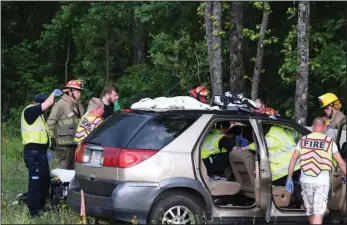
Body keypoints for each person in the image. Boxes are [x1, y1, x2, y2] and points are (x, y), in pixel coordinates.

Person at [285, 117, 347, 225]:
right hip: (321, 182)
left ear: (313, 127)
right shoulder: (329, 142)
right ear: (324, 128)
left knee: (310, 211)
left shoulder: (303, 140)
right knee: (318, 212)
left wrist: (289, 178)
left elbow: (293, 160)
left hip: (306, 181)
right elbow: (341, 162)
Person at [21, 89, 63, 217]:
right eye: (43, 105)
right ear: (39, 104)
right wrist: (52, 95)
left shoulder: (39, 115)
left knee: (44, 181)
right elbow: (48, 102)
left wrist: (47, 149)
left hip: (41, 153)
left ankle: (41, 206)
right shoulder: (30, 111)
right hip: (33, 154)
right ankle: (33, 212)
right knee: (35, 183)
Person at [47, 79, 85, 170]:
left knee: (74, 172)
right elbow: (51, 122)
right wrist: (51, 139)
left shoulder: (79, 106)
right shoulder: (60, 104)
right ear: (70, 92)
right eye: (77, 91)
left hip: (76, 145)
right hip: (63, 146)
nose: (80, 94)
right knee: (62, 170)